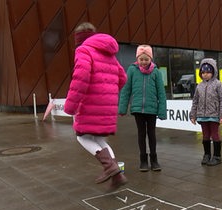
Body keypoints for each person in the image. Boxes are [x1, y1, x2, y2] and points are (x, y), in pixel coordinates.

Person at [63, 22, 128, 191]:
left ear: (79, 40)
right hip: (108, 105)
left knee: (82, 136)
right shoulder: (109, 54)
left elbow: (80, 77)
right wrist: (109, 92)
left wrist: (70, 106)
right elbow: (123, 78)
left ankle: (109, 166)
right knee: (99, 138)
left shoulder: (83, 50)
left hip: (91, 104)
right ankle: (117, 176)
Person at [119, 45, 167, 172]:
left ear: (150, 59)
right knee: (141, 134)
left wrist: (162, 111)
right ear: (137, 59)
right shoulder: (132, 70)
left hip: (152, 109)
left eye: (146, 59)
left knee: (152, 134)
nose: (144, 62)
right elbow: (126, 90)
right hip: (137, 109)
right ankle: (143, 161)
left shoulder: (156, 72)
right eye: (141, 59)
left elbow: (161, 92)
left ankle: (154, 160)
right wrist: (122, 108)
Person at [190, 58, 222, 166]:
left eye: (208, 72)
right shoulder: (199, 86)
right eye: (203, 72)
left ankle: (217, 156)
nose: (205, 74)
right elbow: (195, 101)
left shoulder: (218, 84)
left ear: (213, 72)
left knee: (214, 134)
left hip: (214, 115)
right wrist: (193, 115)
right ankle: (207, 155)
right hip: (202, 116)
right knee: (205, 135)